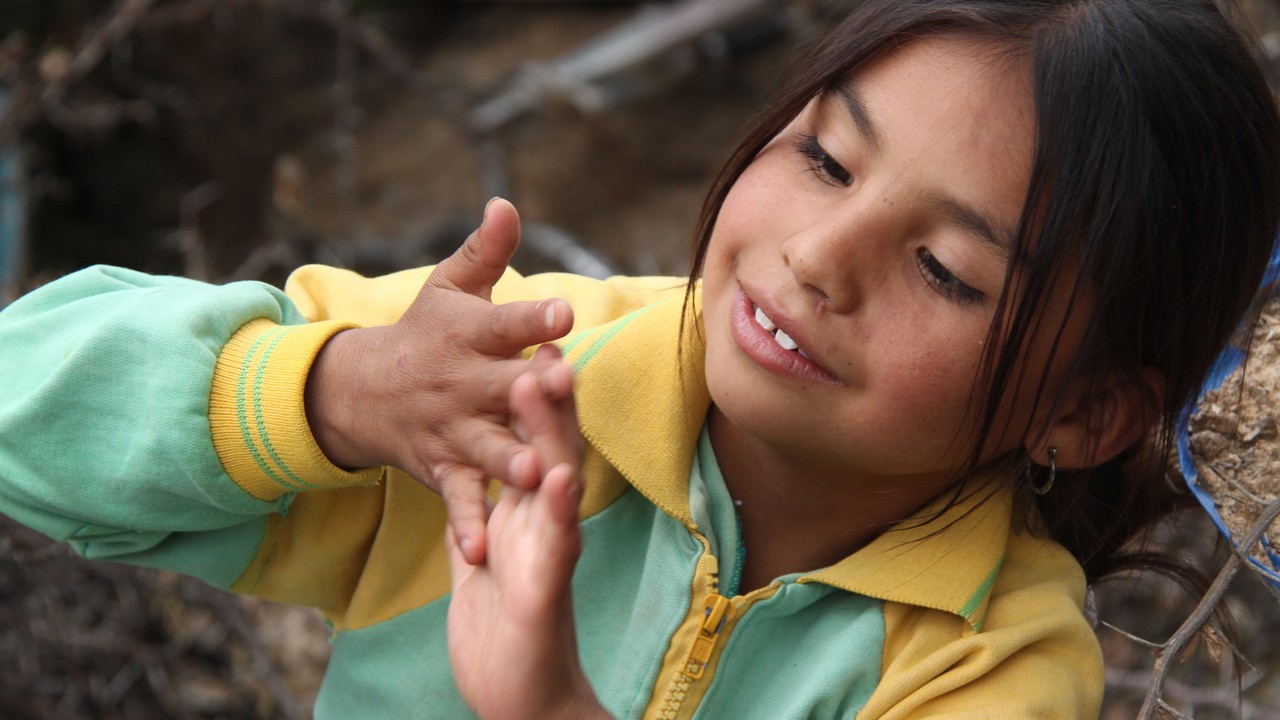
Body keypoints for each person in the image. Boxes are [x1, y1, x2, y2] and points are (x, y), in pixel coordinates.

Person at [1, 0, 1278, 717]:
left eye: (946, 269)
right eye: (823, 158)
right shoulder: (507, 378)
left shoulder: (989, 667)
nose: (817, 257)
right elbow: (24, 402)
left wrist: (548, 702)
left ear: (1083, 413)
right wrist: (333, 396)